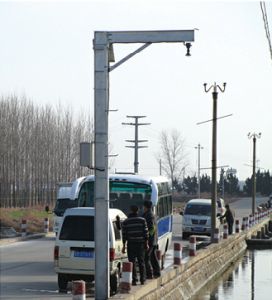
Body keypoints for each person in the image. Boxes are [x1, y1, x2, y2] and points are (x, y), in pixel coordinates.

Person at [122, 205, 149, 285]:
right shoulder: (142, 220)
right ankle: (142, 279)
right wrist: (146, 243)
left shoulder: (126, 222)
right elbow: (146, 233)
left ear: (130, 210)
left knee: (132, 262)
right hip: (140, 244)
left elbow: (124, 235)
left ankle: (134, 280)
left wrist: (124, 246)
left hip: (131, 244)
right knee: (141, 262)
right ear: (138, 211)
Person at [142, 200, 161, 279]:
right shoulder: (150, 214)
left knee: (146, 257)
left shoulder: (149, 215)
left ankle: (149, 274)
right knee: (153, 257)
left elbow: (152, 229)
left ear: (145, 207)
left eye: (144, 206)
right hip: (153, 240)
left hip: (150, 241)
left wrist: (148, 237)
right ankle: (157, 272)